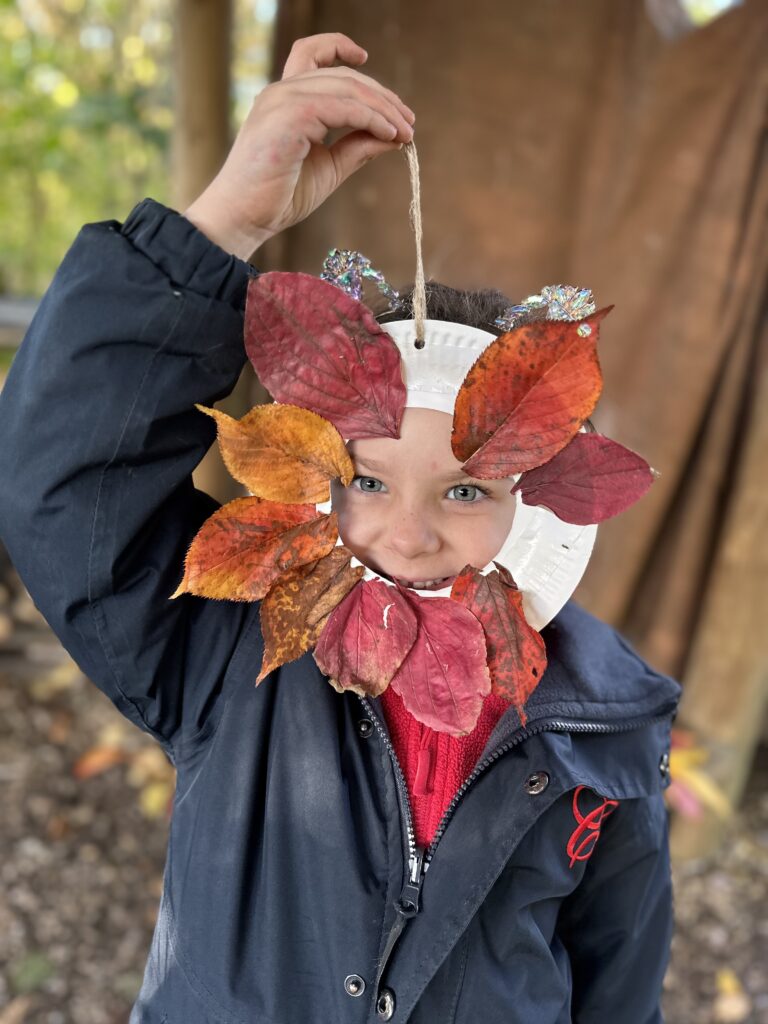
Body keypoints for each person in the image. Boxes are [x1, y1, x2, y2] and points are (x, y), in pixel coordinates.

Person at [0, 32, 681, 1024]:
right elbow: (63, 484)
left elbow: (616, 983)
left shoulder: (603, 720)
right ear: (311, 470)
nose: (404, 538)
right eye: (367, 479)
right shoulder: (228, 649)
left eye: (463, 492)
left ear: (538, 503)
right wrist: (230, 217)